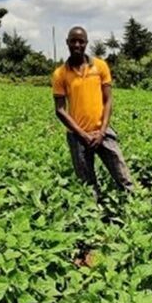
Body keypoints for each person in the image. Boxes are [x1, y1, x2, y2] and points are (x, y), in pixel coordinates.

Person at [52, 26, 133, 196]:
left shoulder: (100, 66)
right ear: (67, 43)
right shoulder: (60, 74)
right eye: (73, 41)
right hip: (77, 136)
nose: (77, 44)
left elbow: (108, 99)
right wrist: (82, 134)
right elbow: (60, 110)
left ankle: (134, 208)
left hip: (102, 132)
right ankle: (95, 216)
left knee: (123, 177)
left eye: (81, 41)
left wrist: (102, 131)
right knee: (88, 185)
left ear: (86, 43)